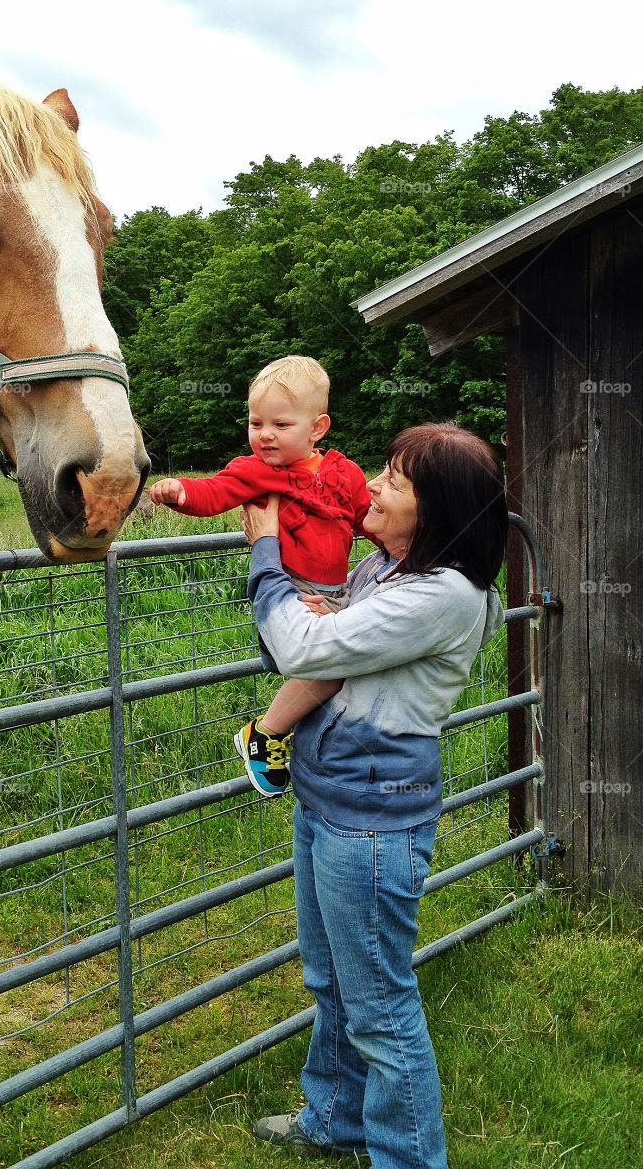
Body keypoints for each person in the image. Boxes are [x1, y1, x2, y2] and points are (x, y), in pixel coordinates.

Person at [241, 422, 508, 1168]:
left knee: (381, 1009)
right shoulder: (385, 570)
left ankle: (409, 1158)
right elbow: (310, 645)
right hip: (328, 797)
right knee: (332, 980)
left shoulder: (441, 596)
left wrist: (266, 551)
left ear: (440, 510)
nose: (376, 486)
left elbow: (300, 649)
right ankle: (334, 1119)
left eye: (396, 479)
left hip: (371, 821)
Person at [150, 356, 370, 797]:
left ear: (317, 428)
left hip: (339, 590)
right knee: (329, 670)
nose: (264, 434)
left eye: (280, 425)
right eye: (255, 422)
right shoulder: (257, 472)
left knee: (348, 674)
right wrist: (180, 491)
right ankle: (265, 733)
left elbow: (368, 519)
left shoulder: (345, 474)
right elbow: (215, 492)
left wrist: (405, 542)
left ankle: (312, 749)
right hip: (288, 590)